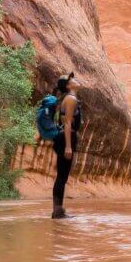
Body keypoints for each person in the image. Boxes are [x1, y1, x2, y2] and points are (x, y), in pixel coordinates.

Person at [51, 72, 81, 219]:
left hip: (61, 137)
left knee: (61, 176)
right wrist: (69, 146)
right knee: (62, 177)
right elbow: (68, 122)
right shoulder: (71, 99)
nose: (76, 80)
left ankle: (58, 210)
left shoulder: (66, 98)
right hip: (65, 138)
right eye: (72, 79)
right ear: (69, 85)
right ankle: (58, 211)